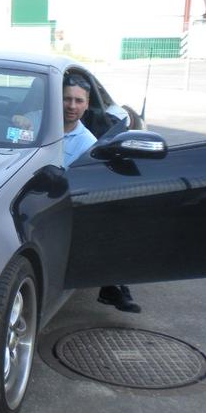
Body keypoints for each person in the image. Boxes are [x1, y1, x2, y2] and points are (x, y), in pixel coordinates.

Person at [60, 74, 141, 314]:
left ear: (87, 104)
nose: (72, 106)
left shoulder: (87, 143)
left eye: (78, 101)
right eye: (66, 99)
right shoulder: (31, 122)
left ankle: (112, 283)